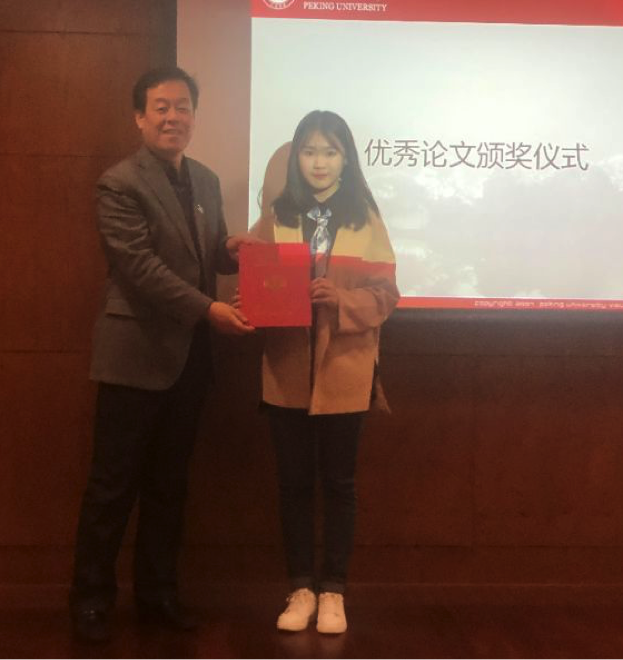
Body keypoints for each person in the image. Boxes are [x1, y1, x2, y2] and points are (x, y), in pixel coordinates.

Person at [70, 66, 254, 644]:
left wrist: (230, 250)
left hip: (189, 359)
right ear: (140, 117)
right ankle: (91, 600)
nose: (173, 117)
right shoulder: (119, 183)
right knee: (112, 486)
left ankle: (158, 596)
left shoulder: (204, 179)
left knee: (170, 486)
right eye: (161, 107)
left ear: (194, 116)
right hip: (134, 355)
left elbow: (203, 254)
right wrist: (208, 309)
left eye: (183, 107)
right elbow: (141, 269)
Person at [246, 110, 399, 634]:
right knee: (292, 484)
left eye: (330, 151)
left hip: (345, 369)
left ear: (346, 158)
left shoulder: (365, 219)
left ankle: (334, 589)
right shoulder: (277, 215)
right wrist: (249, 288)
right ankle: (301, 588)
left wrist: (342, 300)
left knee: (338, 483)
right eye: (309, 151)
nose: (319, 162)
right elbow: (255, 279)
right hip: (286, 367)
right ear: (296, 157)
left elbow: (386, 295)